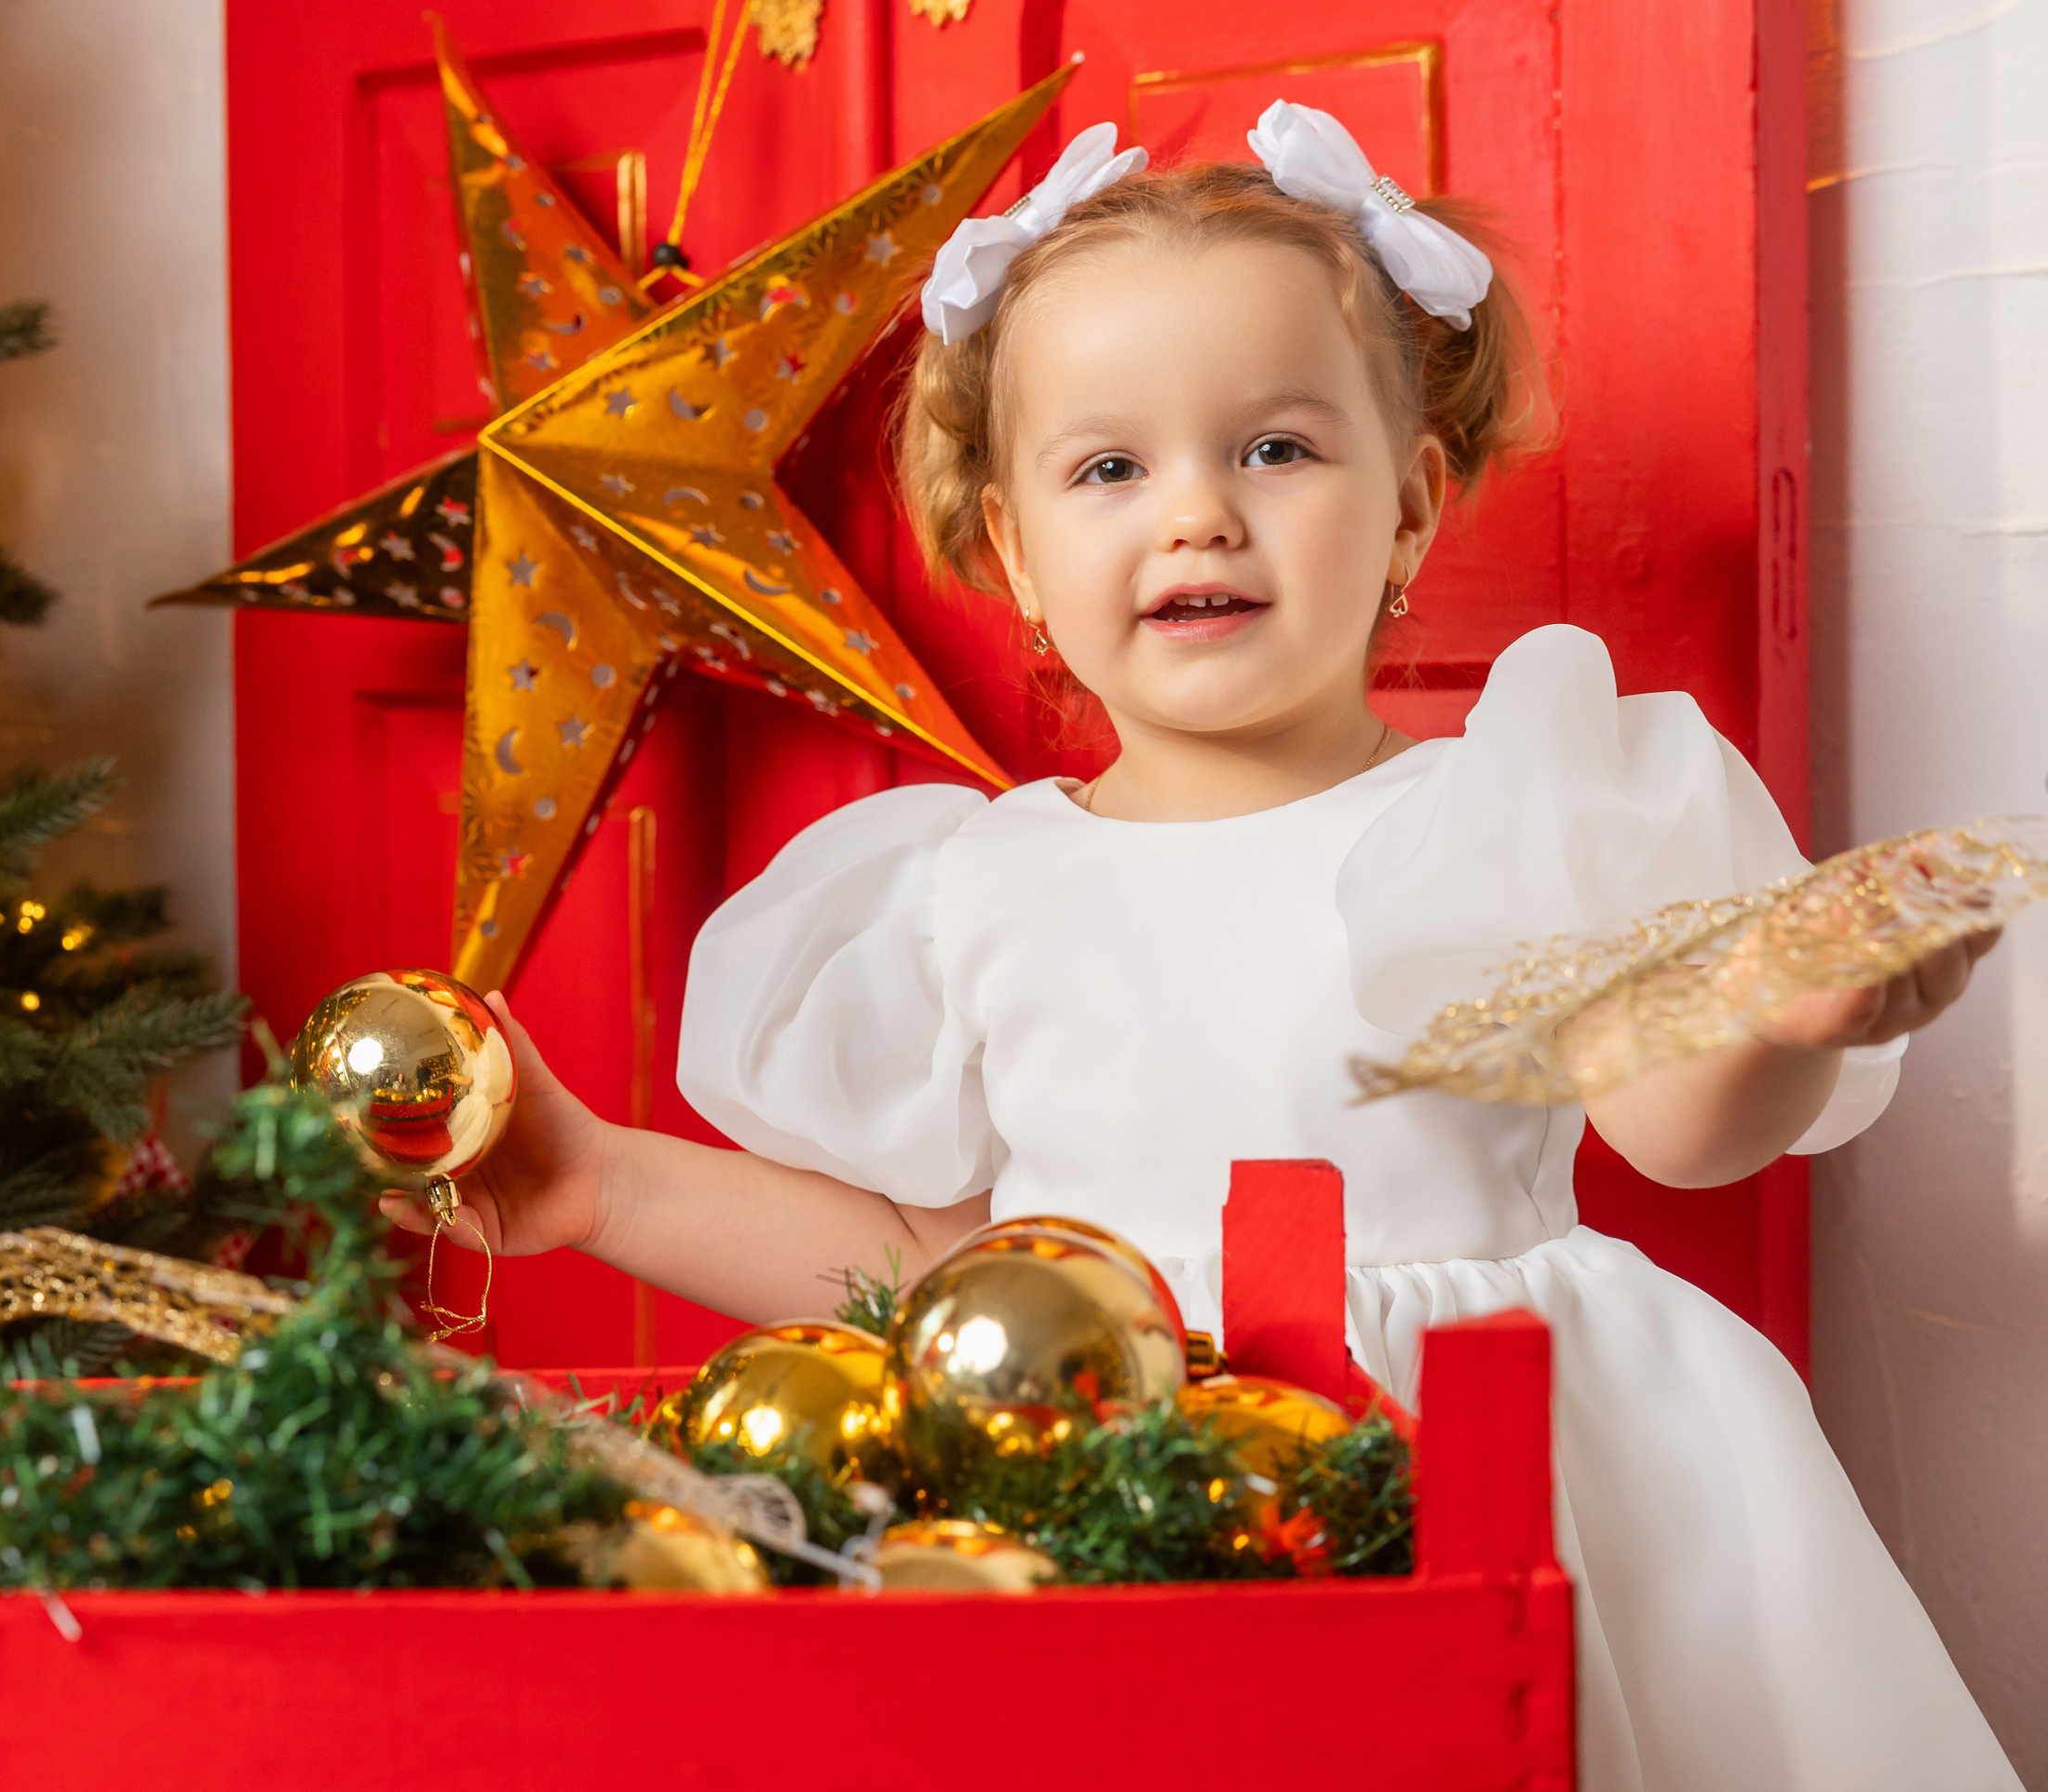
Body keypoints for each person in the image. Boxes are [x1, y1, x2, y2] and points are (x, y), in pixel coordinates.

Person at [393, 106, 2020, 1789]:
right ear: (1018, 558)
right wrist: (608, 1190)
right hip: (1116, 1487)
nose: (1197, 518)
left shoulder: (1513, 813)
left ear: (1409, 507)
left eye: (1276, 450)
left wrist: (1779, 1013)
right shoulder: (974, 886)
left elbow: (1678, 1130)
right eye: (1110, 468)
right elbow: (930, 1276)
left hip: (1503, 1477)